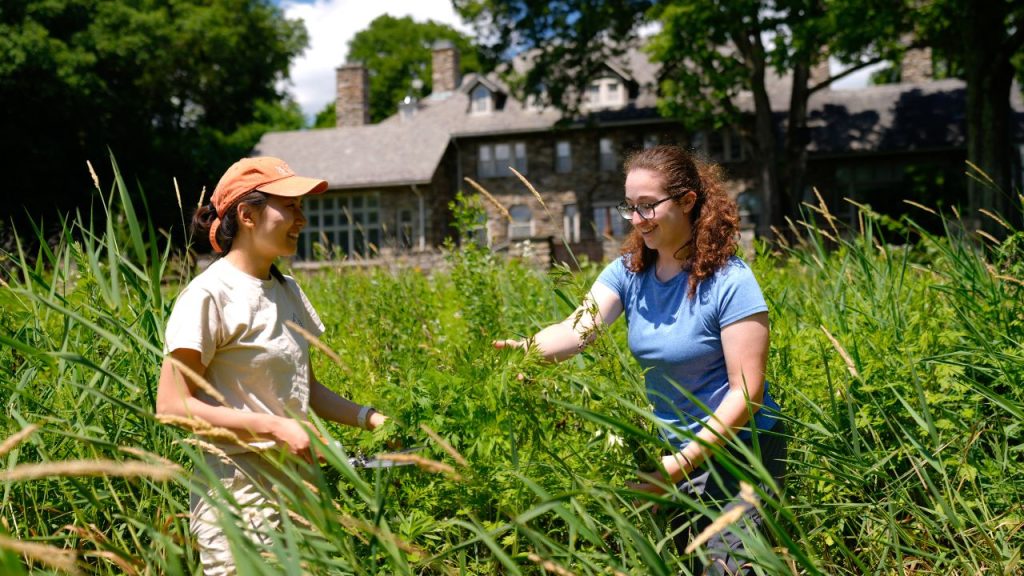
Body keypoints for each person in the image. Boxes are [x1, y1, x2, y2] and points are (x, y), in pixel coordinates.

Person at [494, 145, 786, 575]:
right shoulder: (628, 271)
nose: (635, 218)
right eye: (630, 207)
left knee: (726, 569)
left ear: (687, 201)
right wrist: (529, 349)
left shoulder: (731, 281)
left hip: (743, 452)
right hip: (675, 455)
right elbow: (577, 329)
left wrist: (681, 462)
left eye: (647, 206)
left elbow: (748, 391)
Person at [155, 157, 388, 575]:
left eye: (301, 207)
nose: (301, 219)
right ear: (247, 214)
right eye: (291, 207)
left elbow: (307, 391)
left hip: (298, 490)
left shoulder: (287, 289)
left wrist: (372, 420)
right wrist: (276, 428)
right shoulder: (209, 295)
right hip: (237, 496)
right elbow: (172, 405)